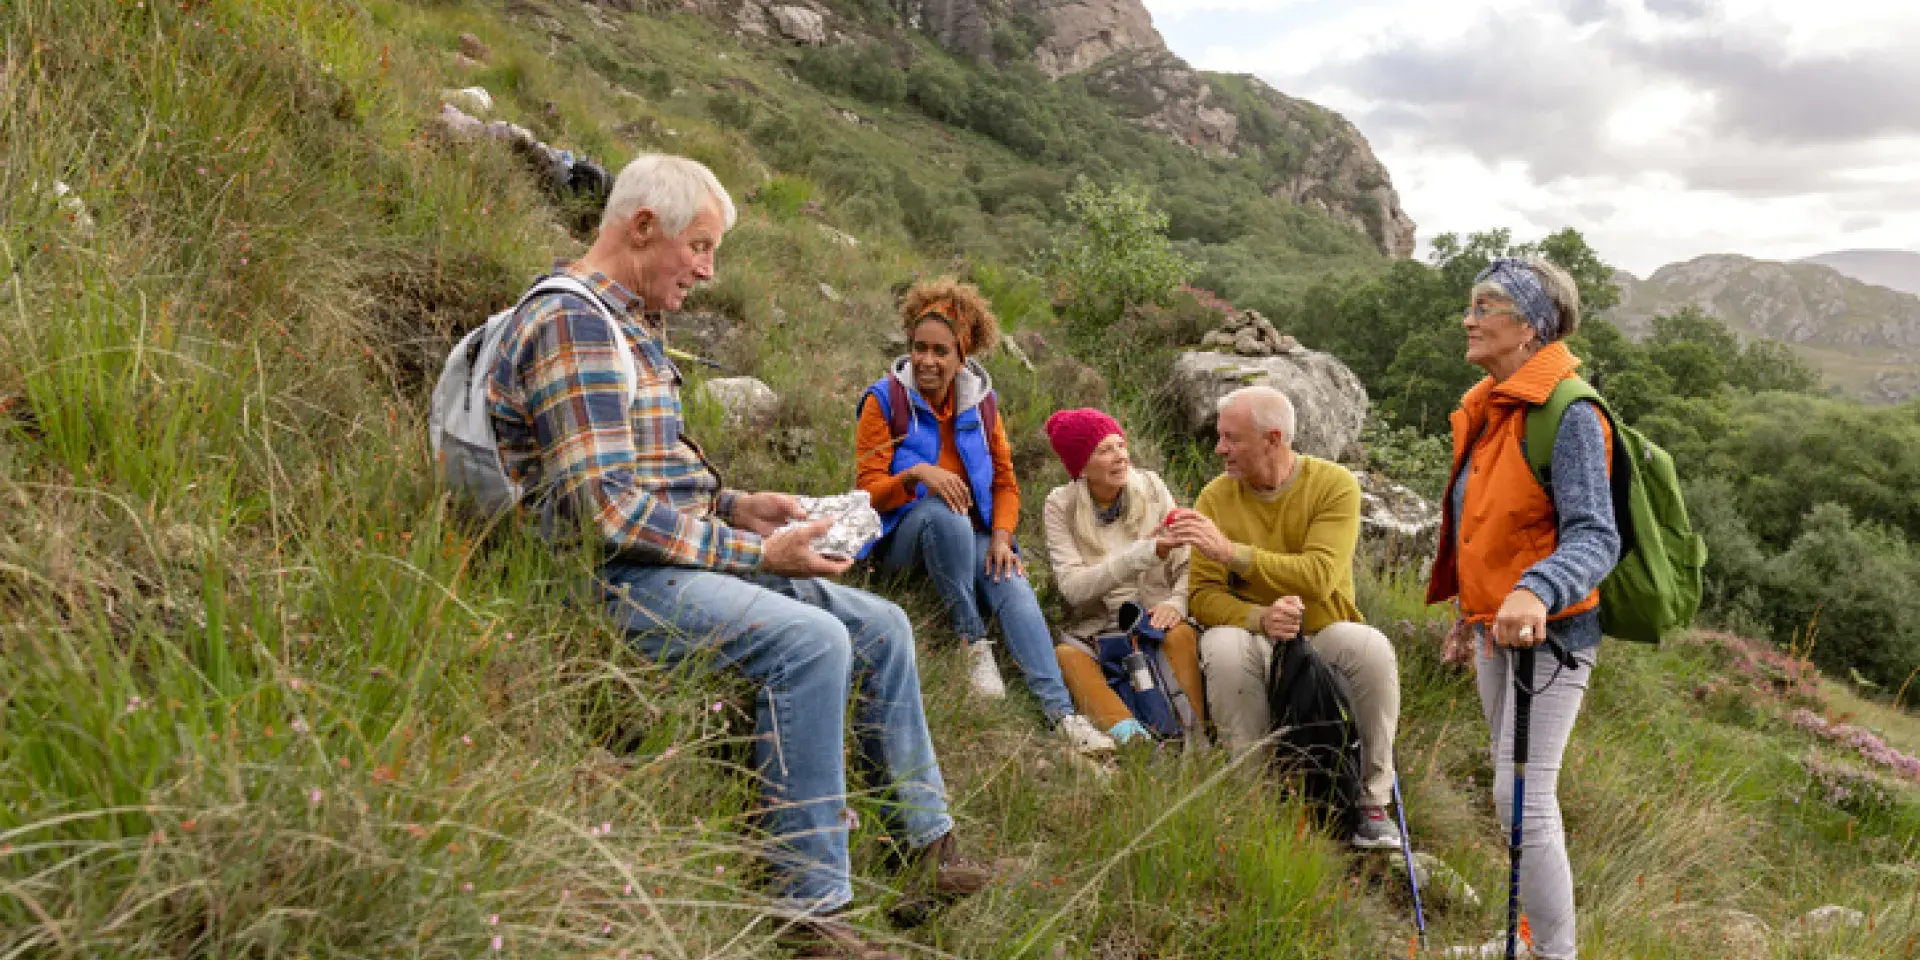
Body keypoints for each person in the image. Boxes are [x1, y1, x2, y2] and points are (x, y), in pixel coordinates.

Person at [487, 154, 990, 959]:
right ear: (643, 227)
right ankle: (809, 911)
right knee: (814, 643)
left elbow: (648, 480)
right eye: (701, 246)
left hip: (663, 557)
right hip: (602, 576)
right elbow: (603, 510)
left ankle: (927, 850)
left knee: (885, 626)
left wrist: (736, 506)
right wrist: (754, 552)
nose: (708, 271)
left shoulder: (630, 322)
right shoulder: (573, 323)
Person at [1429, 258, 1620, 960]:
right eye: (1471, 304)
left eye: (1487, 305)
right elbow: (1488, 527)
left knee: (1523, 802)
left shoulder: (1568, 413)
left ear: (1532, 325)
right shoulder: (1491, 406)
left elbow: (1596, 536)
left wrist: (1536, 590)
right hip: (1494, 629)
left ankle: (1552, 956)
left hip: (1554, 636)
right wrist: (1470, 611)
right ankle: (1530, 939)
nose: (1469, 318)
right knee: (1515, 795)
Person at [853, 279, 1114, 757]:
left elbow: (1004, 484)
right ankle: (972, 642)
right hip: (902, 541)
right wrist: (914, 476)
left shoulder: (981, 404)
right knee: (942, 513)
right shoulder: (884, 400)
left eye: (940, 351)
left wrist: (1002, 535)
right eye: (918, 348)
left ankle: (1062, 716)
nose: (926, 361)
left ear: (962, 354)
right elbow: (867, 494)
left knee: (1010, 578)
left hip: (971, 536)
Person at [1170, 386, 1404, 849]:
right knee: (1221, 646)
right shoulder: (1216, 497)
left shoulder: (1334, 485)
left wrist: (1232, 553)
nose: (1220, 450)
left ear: (1273, 439)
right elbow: (1202, 596)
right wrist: (1259, 617)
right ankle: (1253, 800)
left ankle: (1371, 803)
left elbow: (1318, 577)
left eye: (1231, 439)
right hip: (1255, 633)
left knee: (1371, 648)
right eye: (1221, 437)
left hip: (1323, 628)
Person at [1039, 408, 1207, 745]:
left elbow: (1189, 560)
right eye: (1104, 450)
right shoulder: (1060, 505)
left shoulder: (1152, 486)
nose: (1120, 457)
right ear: (1081, 467)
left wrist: (1177, 600)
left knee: (1180, 635)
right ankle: (1134, 742)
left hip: (1156, 615)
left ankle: (1197, 740)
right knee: (1065, 658)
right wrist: (1141, 554)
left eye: (1121, 445)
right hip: (1099, 629)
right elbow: (1073, 589)